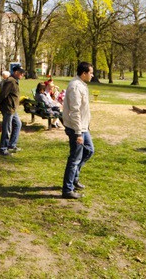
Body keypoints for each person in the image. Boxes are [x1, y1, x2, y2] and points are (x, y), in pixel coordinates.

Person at [61, 62, 95, 199]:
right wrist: (78, 133)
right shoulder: (75, 87)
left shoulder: (81, 84)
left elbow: (83, 110)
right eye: (91, 73)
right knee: (74, 158)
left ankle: (74, 178)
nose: (92, 75)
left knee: (89, 150)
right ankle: (67, 189)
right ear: (84, 73)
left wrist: (86, 126)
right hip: (76, 128)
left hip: (83, 127)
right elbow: (75, 111)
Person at [0, 66, 24, 156]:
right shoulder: (10, 81)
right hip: (8, 108)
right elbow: (3, 94)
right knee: (7, 129)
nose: (22, 74)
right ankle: (3, 148)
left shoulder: (14, 81)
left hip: (13, 108)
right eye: (21, 72)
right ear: (16, 72)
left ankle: (12, 145)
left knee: (18, 124)